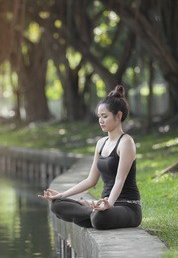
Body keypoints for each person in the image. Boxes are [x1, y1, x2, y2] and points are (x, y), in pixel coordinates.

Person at [38, 85, 141, 230]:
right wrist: (61, 194)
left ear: (118, 116)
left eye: (105, 116)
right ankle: (93, 212)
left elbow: (120, 180)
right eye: (99, 117)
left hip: (127, 207)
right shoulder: (100, 144)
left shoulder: (126, 142)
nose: (101, 121)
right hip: (104, 205)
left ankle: (94, 213)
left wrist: (109, 204)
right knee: (57, 205)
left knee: (100, 219)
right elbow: (91, 180)